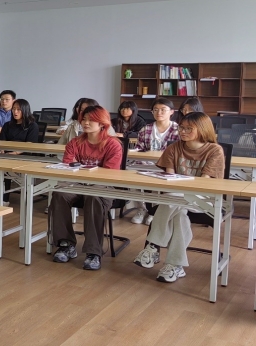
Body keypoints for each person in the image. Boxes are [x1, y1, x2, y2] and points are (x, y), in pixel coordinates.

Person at [133, 112, 224, 283]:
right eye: (181, 127)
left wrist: (181, 191)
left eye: (189, 128)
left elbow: (203, 184)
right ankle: (175, 265)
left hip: (204, 200)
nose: (183, 131)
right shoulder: (174, 148)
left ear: (202, 129)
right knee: (179, 213)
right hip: (176, 198)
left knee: (173, 200)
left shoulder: (214, 150)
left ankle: (153, 246)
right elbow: (170, 180)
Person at [49, 106, 123, 271]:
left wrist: (82, 169)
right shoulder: (75, 142)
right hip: (77, 183)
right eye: (84, 119)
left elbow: (109, 173)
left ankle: (93, 252)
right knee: (60, 194)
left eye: (91, 120)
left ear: (102, 123)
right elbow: (68, 166)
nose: (86, 123)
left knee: (93, 197)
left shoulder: (113, 144)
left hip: (103, 186)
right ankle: (66, 244)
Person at [131, 98, 180, 224]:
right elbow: (139, 149)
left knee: (160, 179)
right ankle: (141, 208)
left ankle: (155, 212)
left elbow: (178, 153)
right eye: (156, 110)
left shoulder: (178, 130)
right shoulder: (145, 129)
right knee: (131, 175)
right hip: (146, 164)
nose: (159, 113)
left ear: (171, 112)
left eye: (163, 110)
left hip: (167, 165)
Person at [0, 98, 39, 205]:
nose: (15, 112)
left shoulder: (32, 126)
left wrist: (15, 153)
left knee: (4, 167)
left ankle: (3, 199)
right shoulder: (7, 125)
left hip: (24, 155)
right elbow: (2, 141)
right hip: (7, 154)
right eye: (14, 109)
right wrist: (2, 150)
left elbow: (30, 145)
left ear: (25, 110)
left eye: (18, 109)